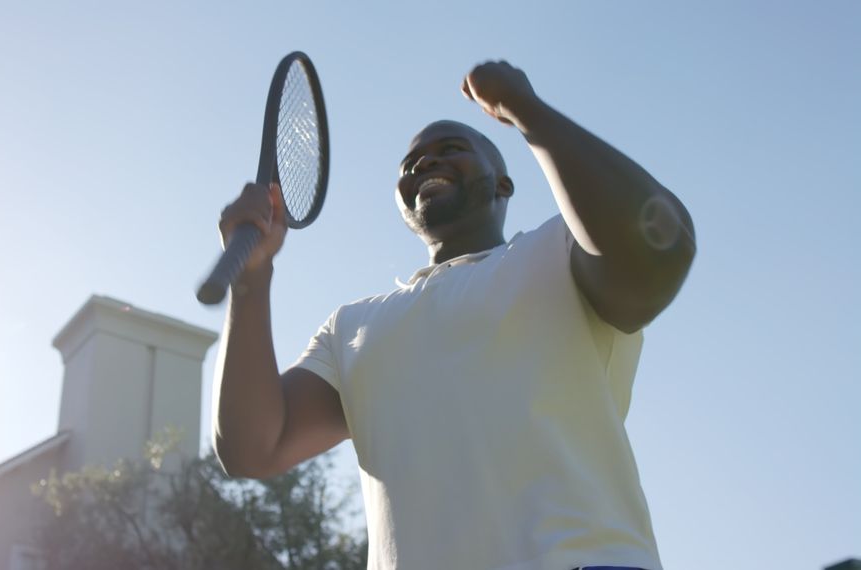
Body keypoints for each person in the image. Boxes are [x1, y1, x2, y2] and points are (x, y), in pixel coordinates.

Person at [211, 60, 695, 570]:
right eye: (410, 164)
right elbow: (250, 447)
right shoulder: (350, 329)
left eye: (451, 150)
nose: (424, 163)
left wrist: (525, 108)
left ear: (503, 185)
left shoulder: (563, 250)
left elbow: (660, 244)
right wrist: (254, 275)